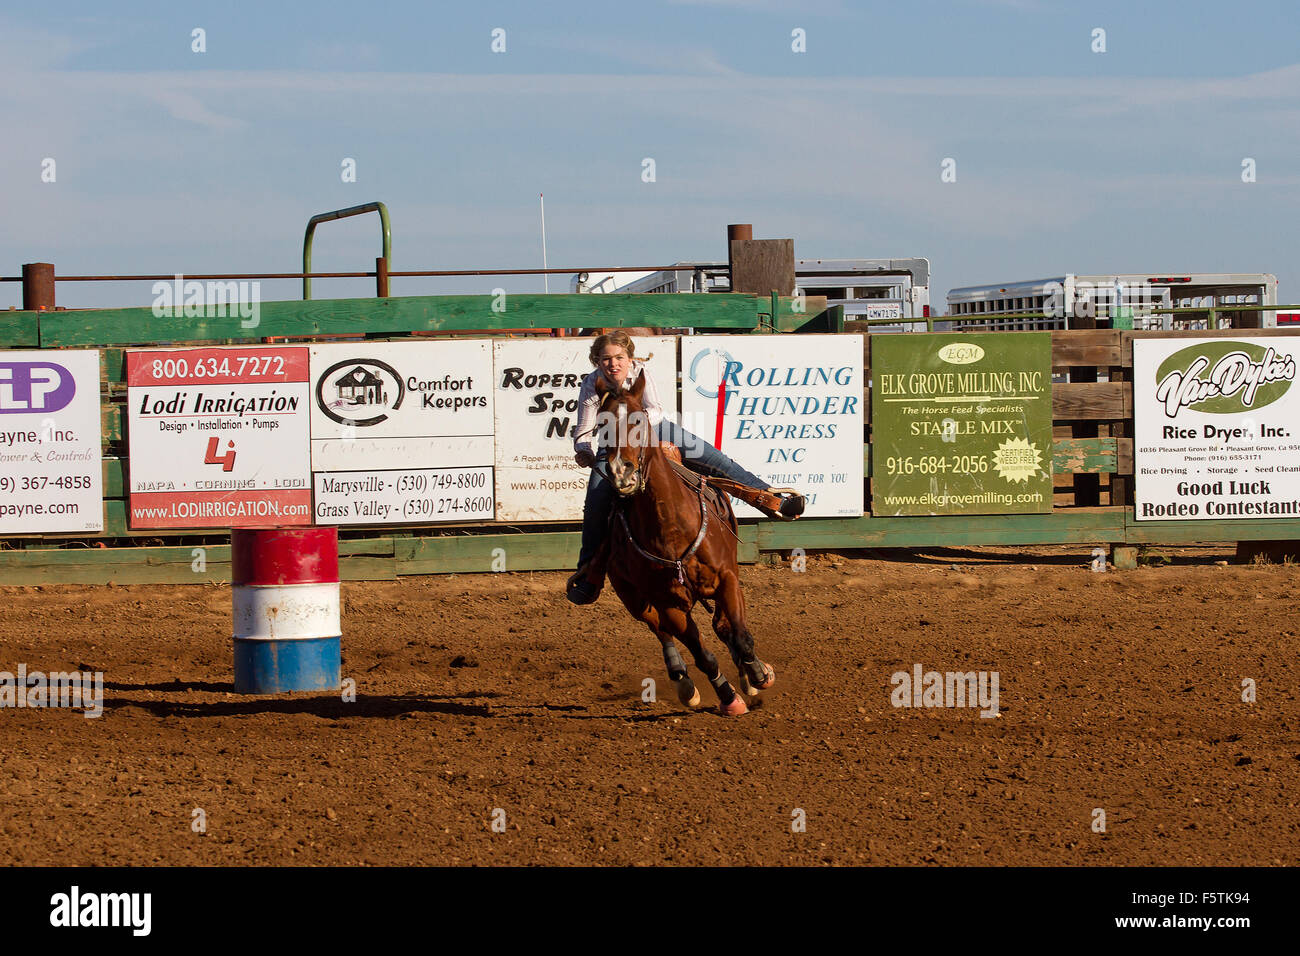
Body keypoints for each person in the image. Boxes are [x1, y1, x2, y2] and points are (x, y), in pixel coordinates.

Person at [565, 330, 803, 605]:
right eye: (606, 359)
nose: (613, 364)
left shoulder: (641, 372)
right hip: (615, 442)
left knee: (714, 459)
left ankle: (770, 499)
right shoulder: (591, 384)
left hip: (653, 430)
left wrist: (634, 421)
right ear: (597, 361)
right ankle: (587, 574)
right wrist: (584, 451)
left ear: (630, 359)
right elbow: (583, 431)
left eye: (619, 357)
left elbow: (655, 410)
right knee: (596, 501)